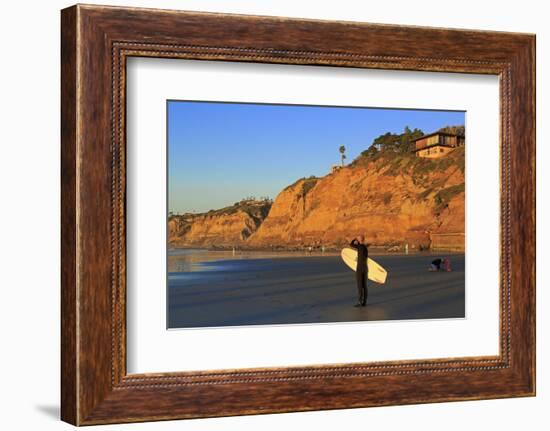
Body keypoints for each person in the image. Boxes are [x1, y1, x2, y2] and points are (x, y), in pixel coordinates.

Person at [349, 235, 369, 307]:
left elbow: (351, 244)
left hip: (360, 268)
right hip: (365, 268)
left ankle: (360, 301)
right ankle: (364, 302)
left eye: (358, 238)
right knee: (364, 285)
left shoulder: (360, 247)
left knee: (360, 285)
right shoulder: (365, 248)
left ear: (359, 239)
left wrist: (355, 239)